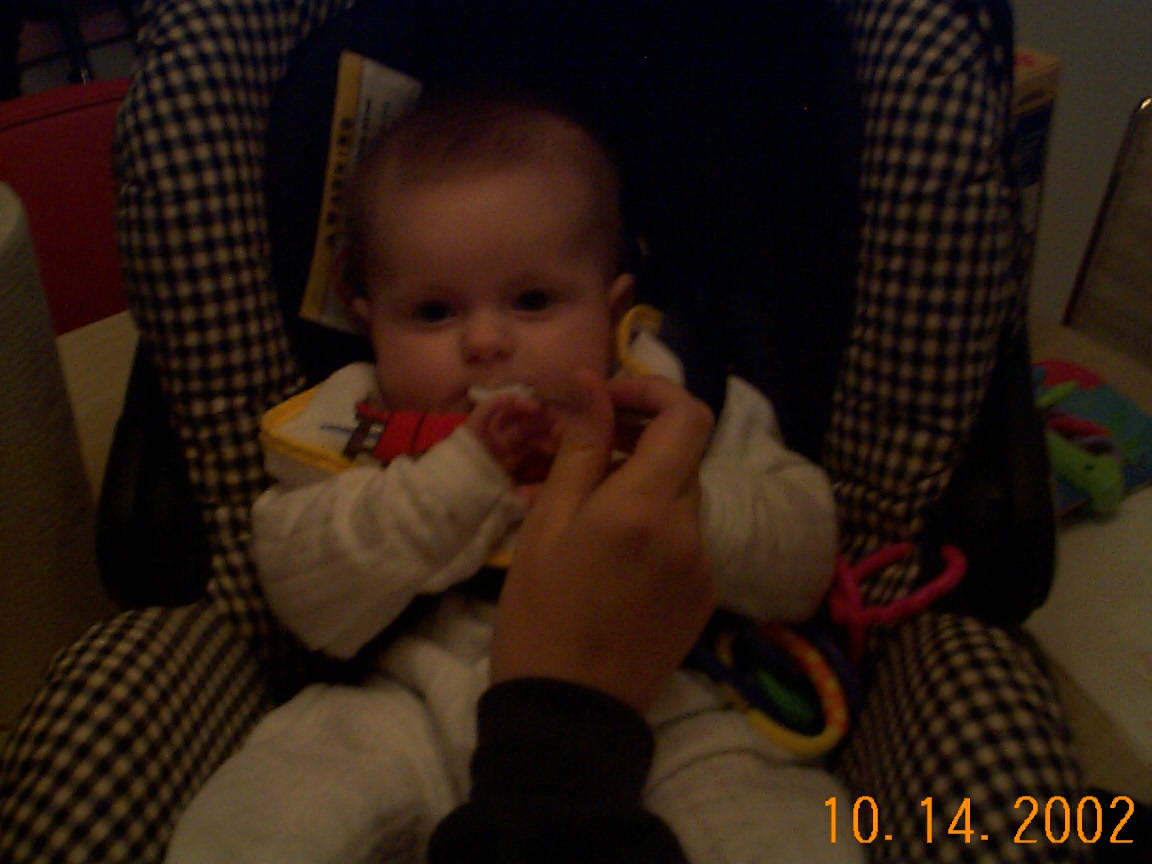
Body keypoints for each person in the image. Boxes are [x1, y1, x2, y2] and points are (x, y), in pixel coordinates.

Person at [166, 93, 859, 864]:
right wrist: (460, 477)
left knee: (779, 830)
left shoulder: (676, 405)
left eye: (533, 301)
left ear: (612, 309)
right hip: (411, 700)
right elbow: (305, 592)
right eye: (433, 312)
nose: (487, 341)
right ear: (372, 326)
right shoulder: (357, 424)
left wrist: (668, 495)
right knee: (274, 810)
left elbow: (803, 561)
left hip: (673, 700)